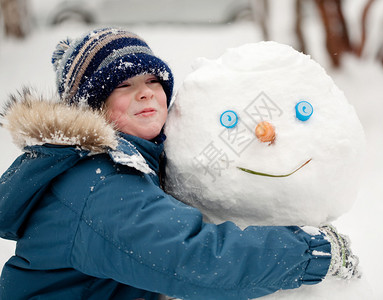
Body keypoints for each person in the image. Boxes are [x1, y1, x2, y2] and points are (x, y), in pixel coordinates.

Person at [0, 27, 359, 300]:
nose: (146, 92)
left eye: (153, 79)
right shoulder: (98, 184)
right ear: (91, 106)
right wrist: (308, 252)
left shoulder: (129, 163)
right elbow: (194, 259)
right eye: (122, 85)